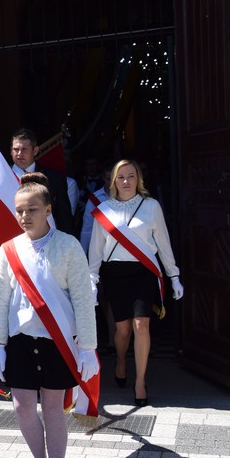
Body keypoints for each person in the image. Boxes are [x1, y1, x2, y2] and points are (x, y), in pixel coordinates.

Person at [0, 173, 98, 458]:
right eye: (20, 211)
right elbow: (0, 300)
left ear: (48, 209)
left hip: (57, 341)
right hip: (21, 340)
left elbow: (81, 298)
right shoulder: (8, 250)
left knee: (52, 408)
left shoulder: (67, 246)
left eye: (32, 209)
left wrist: (89, 347)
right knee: (23, 408)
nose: (25, 217)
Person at [88, 159, 184, 407]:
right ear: (113, 181)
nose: (126, 181)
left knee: (142, 325)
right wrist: (92, 278)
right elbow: (96, 248)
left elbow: (163, 243)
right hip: (116, 274)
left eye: (131, 176)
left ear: (138, 179)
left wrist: (173, 275)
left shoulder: (151, 206)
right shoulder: (104, 209)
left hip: (144, 273)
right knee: (123, 330)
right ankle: (121, 361)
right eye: (121, 177)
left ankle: (140, 381)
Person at [10, 128, 76, 235]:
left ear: (35, 151)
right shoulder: (1, 177)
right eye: (16, 149)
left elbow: (64, 217)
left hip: (47, 241)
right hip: (11, 240)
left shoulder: (55, 178)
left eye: (24, 149)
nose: (19, 154)